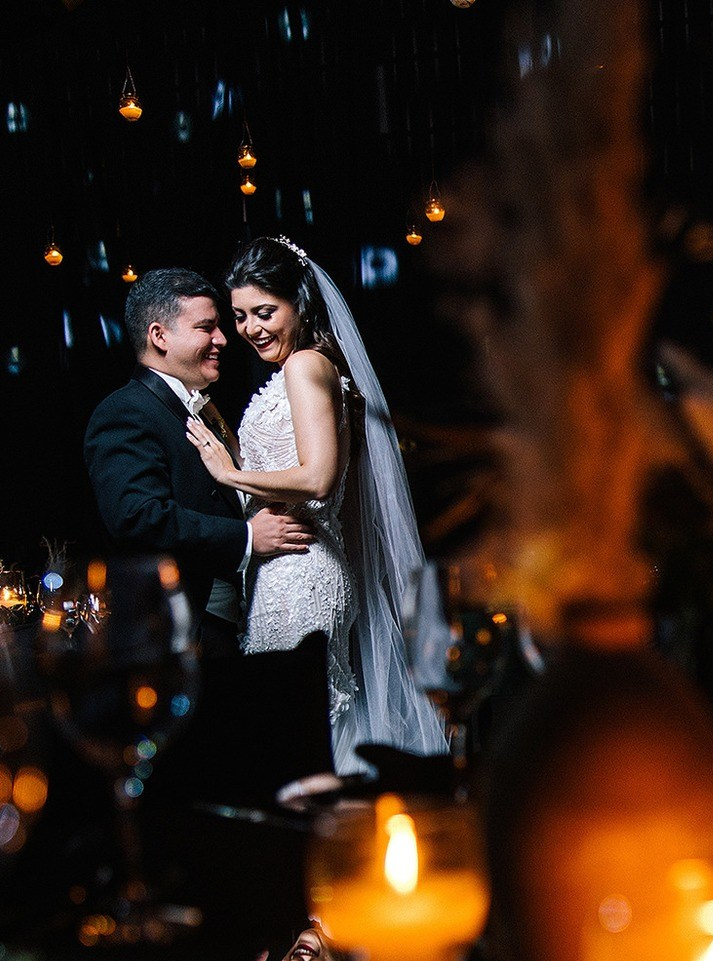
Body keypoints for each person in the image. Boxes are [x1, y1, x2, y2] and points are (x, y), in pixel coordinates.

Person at [184, 237, 445, 767]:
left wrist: (231, 474)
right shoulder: (314, 368)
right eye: (239, 316)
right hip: (293, 569)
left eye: (264, 312)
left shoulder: (305, 366)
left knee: (300, 735)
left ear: (298, 304)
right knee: (302, 726)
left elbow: (321, 477)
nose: (251, 329)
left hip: (300, 578)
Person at [84, 267, 316, 656]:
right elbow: (137, 517)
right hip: (182, 634)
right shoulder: (125, 411)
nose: (223, 339)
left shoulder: (199, 408)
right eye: (206, 328)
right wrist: (247, 538)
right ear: (159, 336)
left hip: (232, 624)